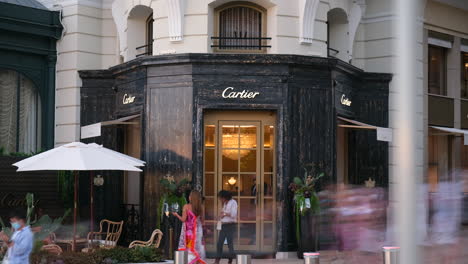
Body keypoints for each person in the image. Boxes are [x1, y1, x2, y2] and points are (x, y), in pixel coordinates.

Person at [173, 190, 206, 264]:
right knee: (197, 248)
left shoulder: (186, 206)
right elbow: (203, 222)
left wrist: (176, 215)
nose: (189, 197)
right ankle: (197, 262)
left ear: (191, 197)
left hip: (188, 231)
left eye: (190, 196)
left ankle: (190, 262)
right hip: (198, 231)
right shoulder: (201, 207)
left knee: (188, 248)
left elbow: (183, 219)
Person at [214, 190, 237, 264]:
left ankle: (230, 259)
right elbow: (223, 212)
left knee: (230, 243)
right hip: (224, 225)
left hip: (230, 225)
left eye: (221, 198)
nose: (220, 199)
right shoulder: (225, 204)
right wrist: (220, 215)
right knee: (219, 243)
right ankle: (217, 260)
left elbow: (233, 214)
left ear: (225, 197)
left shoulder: (233, 202)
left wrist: (224, 214)